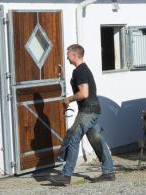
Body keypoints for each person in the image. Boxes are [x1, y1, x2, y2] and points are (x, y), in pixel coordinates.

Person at [49, 44, 116, 185]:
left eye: (68, 54)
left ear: (74, 55)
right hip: (92, 109)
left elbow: (84, 93)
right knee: (97, 140)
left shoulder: (80, 71)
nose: (66, 57)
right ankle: (109, 172)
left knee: (73, 138)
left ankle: (66, 175)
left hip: (88, 111)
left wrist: (69, 99)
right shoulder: (82, 70)